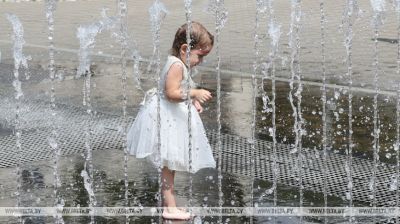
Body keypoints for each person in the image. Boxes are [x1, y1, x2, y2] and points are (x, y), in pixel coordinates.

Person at [127, 21, 216, 220]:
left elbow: (178, 91)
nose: (200, 61)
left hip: (171, 117)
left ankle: (169, 203)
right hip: (167, 119)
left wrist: (192, 101)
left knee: (170, 165)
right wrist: (195, 92)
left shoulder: (179, 63)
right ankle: (170, 207)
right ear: (186, 48)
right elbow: (171, 93)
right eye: (200, 56)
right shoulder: (176, 65)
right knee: (169, 164)